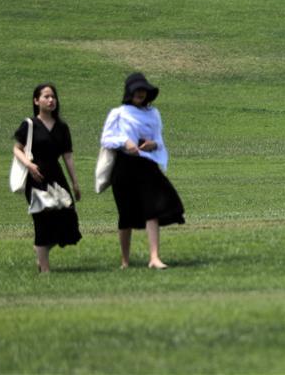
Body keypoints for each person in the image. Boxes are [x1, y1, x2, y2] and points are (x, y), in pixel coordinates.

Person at [100, 72, 185, 269]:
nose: (140, 93)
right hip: (124, 166)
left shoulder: (154, 113)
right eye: (137, 90)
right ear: (129, 92)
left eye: (144, 90)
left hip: (147, 167)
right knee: (125, 214)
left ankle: (154, 257)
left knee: (152, 209)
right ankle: (125, 261)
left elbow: (159, 140)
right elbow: (106, 139)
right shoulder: (118, 113)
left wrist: (152, 144)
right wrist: (125, 142)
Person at [13, 83, 82, 273]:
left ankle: (40, 249)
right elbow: (17, 149)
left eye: (53, 97)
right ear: (36, 101)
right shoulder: (29, 124)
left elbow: (67, 156)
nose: (50, 100)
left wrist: (75, 182)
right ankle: (45, 269)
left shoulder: (62, 127)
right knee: (42, 221)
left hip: (57, 177)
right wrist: (29, 164)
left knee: (68, 219)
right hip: (36, 178)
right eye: (46, 97)